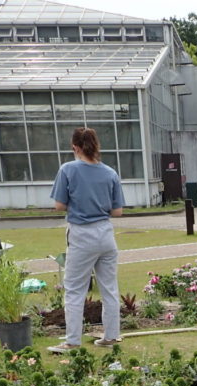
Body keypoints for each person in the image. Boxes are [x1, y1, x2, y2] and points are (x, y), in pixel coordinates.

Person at [47, 126, 124, 354]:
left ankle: (72, 341)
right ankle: (111, 336)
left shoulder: (68, 170)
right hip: (106, 234)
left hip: (81, 233)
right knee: (109, 288)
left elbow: (59, 205)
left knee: (74, 289)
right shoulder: (110, 173)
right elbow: (118, 211)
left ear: (75, 147)